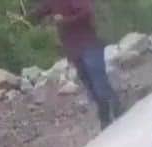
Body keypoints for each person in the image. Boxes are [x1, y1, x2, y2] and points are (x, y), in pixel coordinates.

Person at [28, 0, 122, 129]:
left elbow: (86, 13)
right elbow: (40, 12)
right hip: (75, 51)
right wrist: (24, 17)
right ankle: (105, 115)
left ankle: (115, 109)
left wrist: (64, 20)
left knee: (98, 82)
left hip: (89, 45)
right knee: (89, 84)